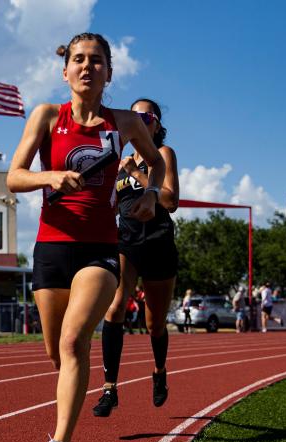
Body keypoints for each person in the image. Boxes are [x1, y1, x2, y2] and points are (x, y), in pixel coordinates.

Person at [6, 32, 165, 442]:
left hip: (99, 249)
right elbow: (14, 177)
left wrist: (151, 194)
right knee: (57, 352)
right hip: (51, 246)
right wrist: (53, 176)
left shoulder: (126, 124)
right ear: (65, 71)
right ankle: (77, 387)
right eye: (78, 59)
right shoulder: (46, 116)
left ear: (109, 73)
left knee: (76, 341)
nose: (87, 67)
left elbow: (156, 164)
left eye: (97, 61)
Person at [92, 97, 181, 418]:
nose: (141, 121)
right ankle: (109, 389)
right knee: (114, 308)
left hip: (157, 241)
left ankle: (158, 371)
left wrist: (139, 175)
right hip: (126, 240)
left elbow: (170, 201)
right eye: (135, 116)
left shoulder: (163, 155)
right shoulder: (119, 160)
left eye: (147, 116)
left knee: (154, 322)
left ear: (157, 124)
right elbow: (109, 206)